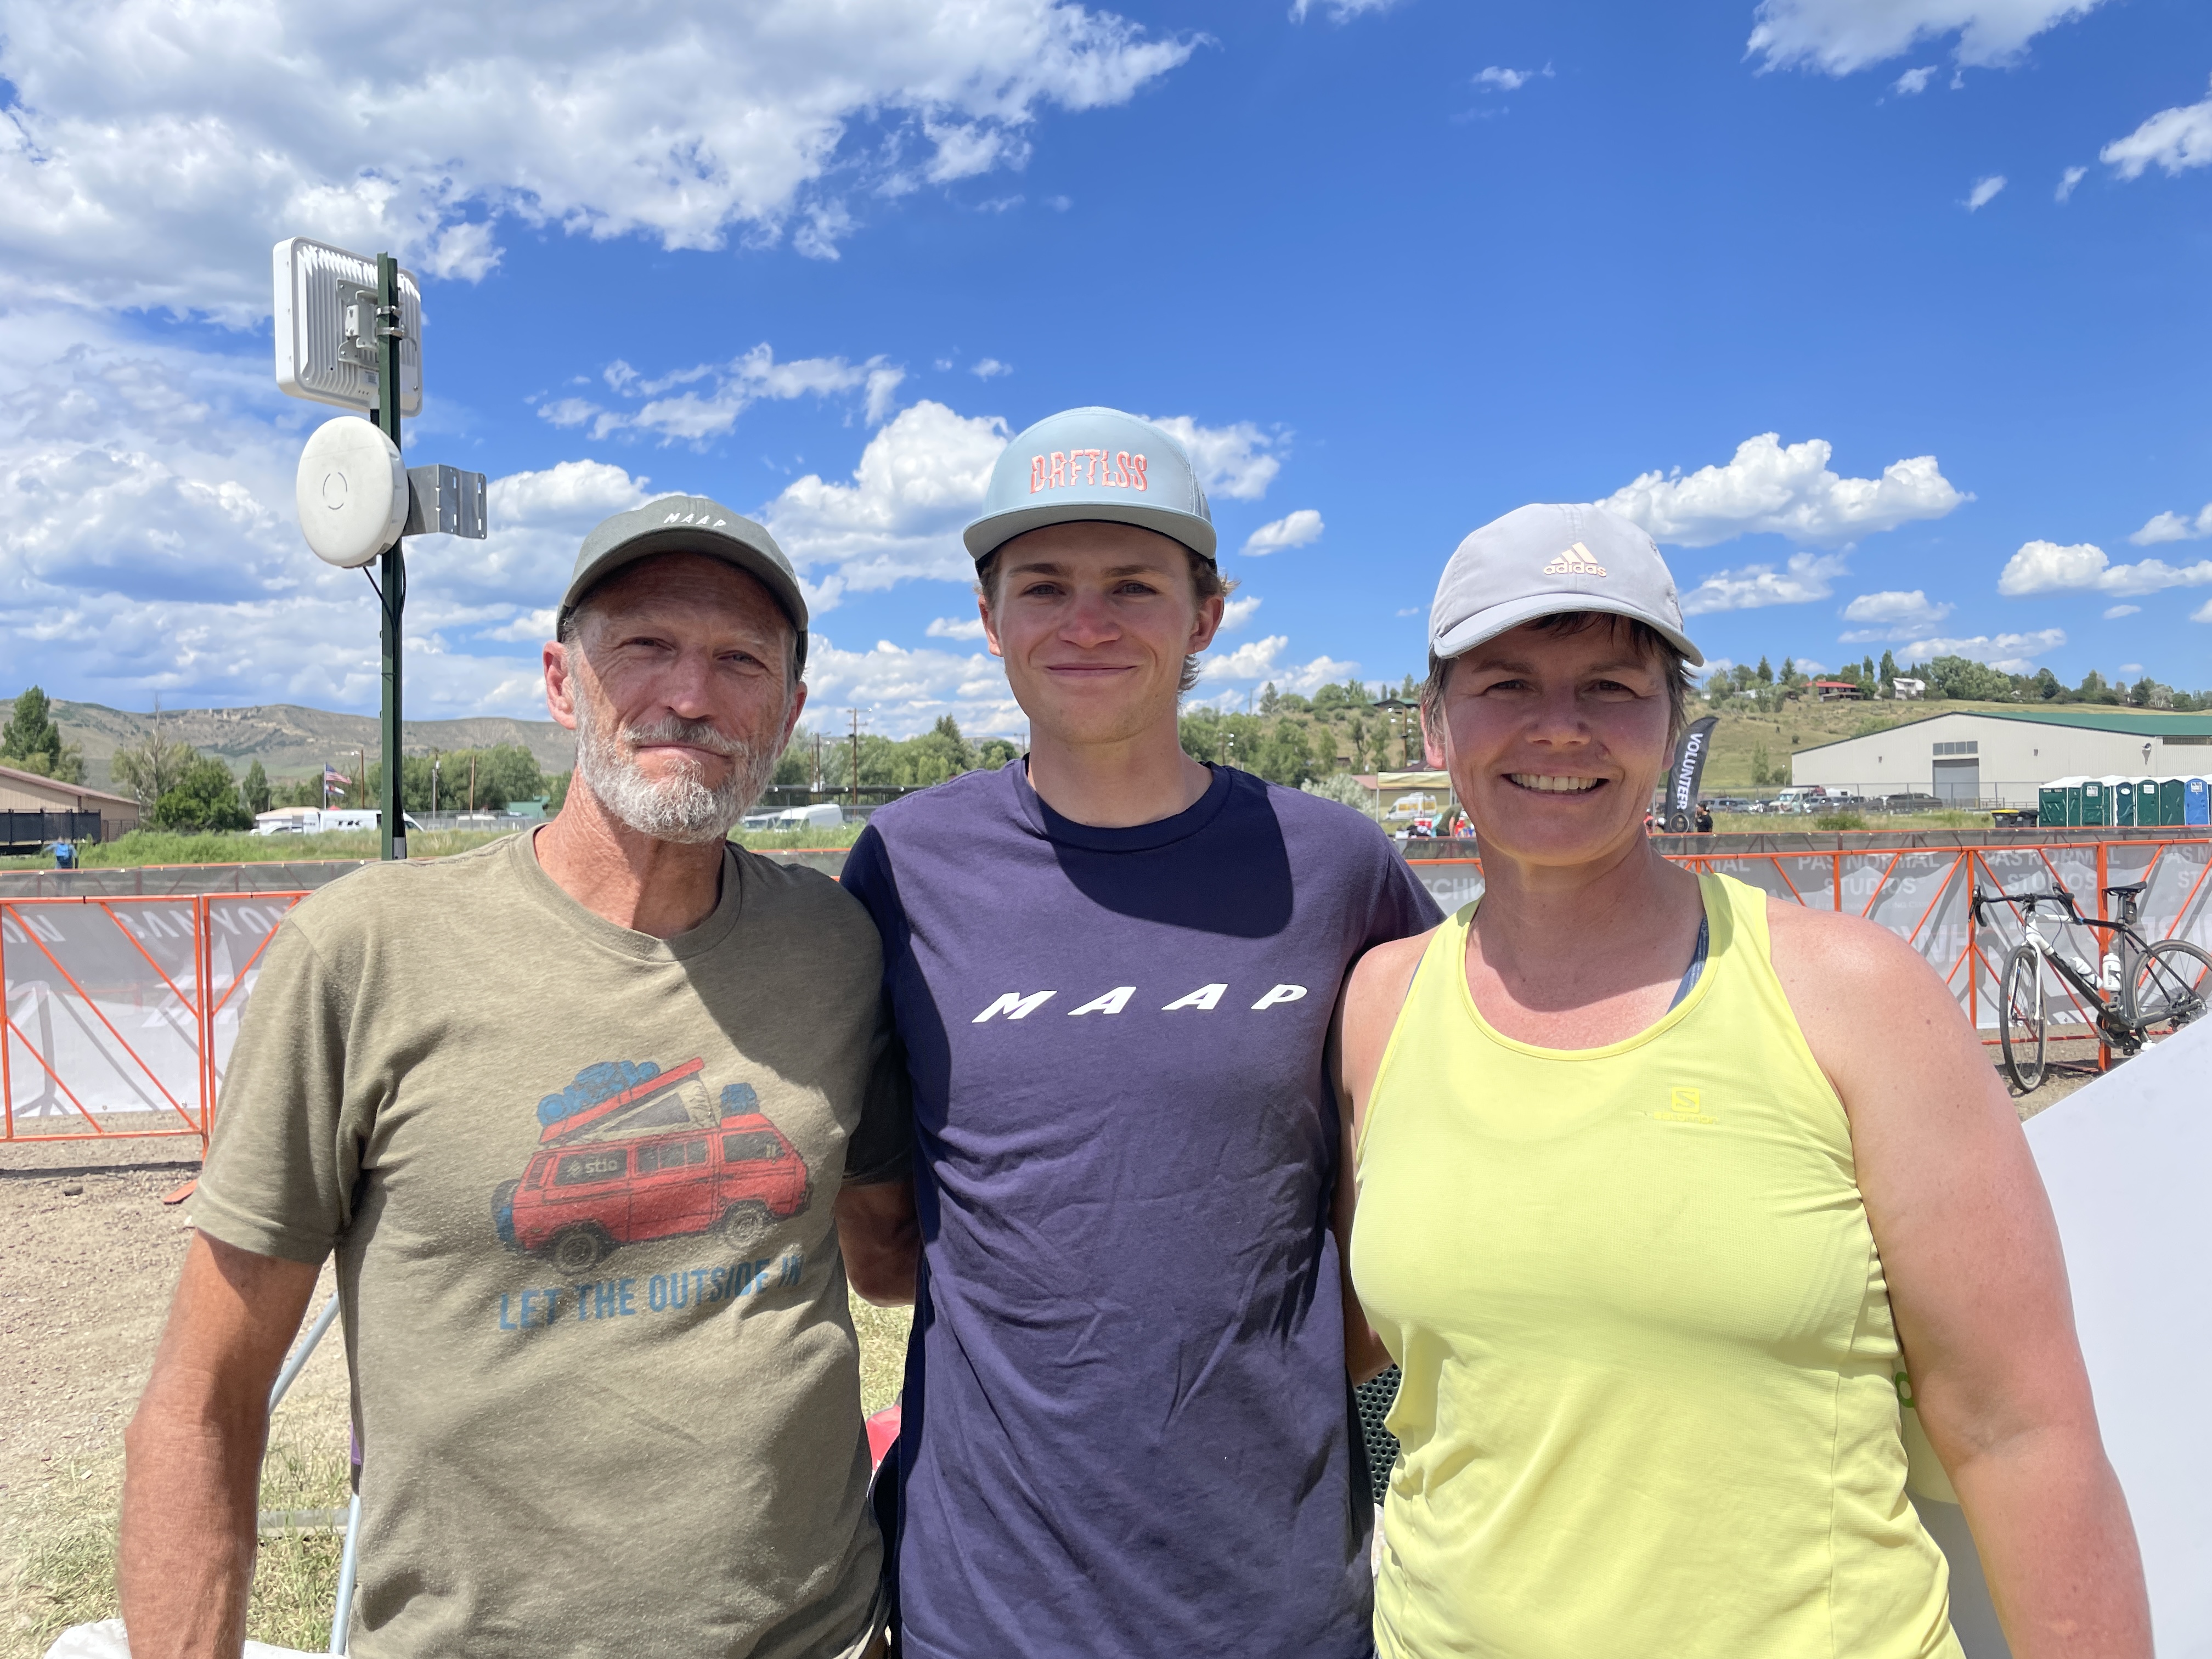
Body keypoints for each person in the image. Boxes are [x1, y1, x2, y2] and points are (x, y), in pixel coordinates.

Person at [1336, 502, 2149, 1658]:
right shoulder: (1378, 1009)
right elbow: (1343, 1342)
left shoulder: (1855, 1002)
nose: (1560, 728)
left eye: (1612, 688)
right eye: (1507, 685)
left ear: (1670, 728)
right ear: (1434, 728)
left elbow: (2021, 1433)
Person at [121, 498, 909, 1659]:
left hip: (821, 1636)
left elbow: (892, 1255)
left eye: (741, 660)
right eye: (644, 646)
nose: (691, 695)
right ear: (559, 679)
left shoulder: (834, 948)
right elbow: (205, 1398)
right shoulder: (362, 953)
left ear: (791, 714)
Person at [837, 407, 1440, 1658]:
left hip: (1275, 1599)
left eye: (1133, 586)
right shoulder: (904, 864)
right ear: (989, 618)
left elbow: (1429, 1157)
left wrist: (1278, 1366)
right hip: (985, 1604)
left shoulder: (1333, 865)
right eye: (1044, 586)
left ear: (1206, 616)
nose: (1088, 621)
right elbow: (883, 1238)